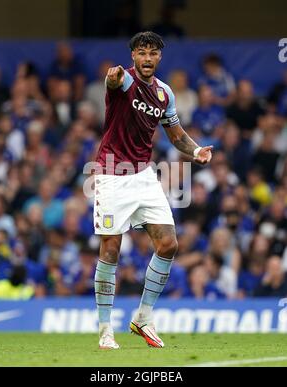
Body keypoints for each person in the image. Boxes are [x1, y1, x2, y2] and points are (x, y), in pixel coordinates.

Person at [93, 32, 213, 349]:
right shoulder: (124, 82)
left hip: (144, 175)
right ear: (133, 55)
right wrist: (112, 76)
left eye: (153, 53)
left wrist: (197, 150)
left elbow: (175, 136)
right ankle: (106, 329)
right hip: (111, 172)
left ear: (160, 58)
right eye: (142, 52)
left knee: (169, 244)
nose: (147, 58)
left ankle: (143, 317)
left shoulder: (164, 94)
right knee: (111, 250)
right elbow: (112, 81)